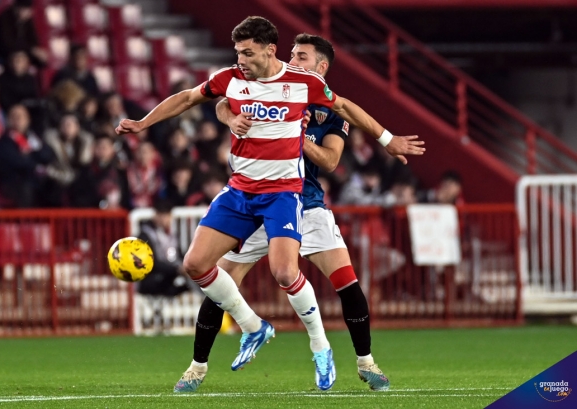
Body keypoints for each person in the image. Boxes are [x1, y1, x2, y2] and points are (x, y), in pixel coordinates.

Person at [116, 16, 423, 391]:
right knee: (207, 272)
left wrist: (386, 139)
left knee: (328, 281)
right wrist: (157, 122)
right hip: (242, 193)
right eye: (238, 52)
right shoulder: (233, 78)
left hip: (294, 198)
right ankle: (207, 359)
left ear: (317, 66)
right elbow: (199, 99)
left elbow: (333, 150)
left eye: (302, 55)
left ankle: (354, 358)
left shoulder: (310, 91)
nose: (241, 59)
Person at [137, 199, 190, 297]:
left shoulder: (172, 233)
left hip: (170, 274)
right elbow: (152, 263)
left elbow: (179, 254)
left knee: (195, 279)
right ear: (157, 215)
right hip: (153, 278)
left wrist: (187, 266)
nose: (169, 219)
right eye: (165, 215)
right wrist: (177, 270)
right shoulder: (145, 235)